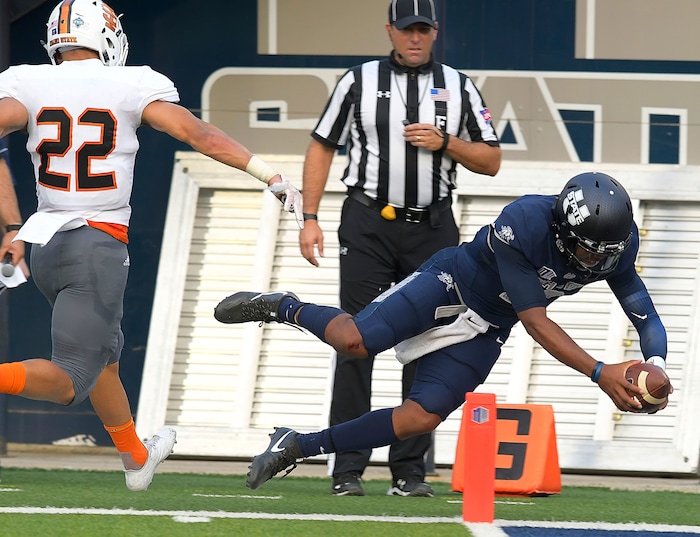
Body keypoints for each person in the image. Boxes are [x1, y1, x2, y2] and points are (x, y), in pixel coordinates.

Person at [0, 0, 302, 492]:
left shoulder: (28, 81)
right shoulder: (132, 82)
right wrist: (267, 174)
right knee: (73, 377)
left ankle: (136, 458)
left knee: (104, 357)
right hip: (94, 246)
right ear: (107, 34)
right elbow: (193, 131)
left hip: (47, 246)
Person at [214, 171, 672, 492]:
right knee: (354, 342)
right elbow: (536, 321)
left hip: (489, 324)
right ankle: (283, 306)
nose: (597, 261)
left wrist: (654, 364)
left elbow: (644, 314)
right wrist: (599, 372)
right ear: (561, 228)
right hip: (451, 284)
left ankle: (297, 444)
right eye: (587, 249)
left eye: (606, 251)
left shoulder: (615, 244)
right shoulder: (526, 223)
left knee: (421, 418)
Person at [297, 0, 500, 497]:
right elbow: (322, 144)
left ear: (435, 31)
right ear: (389, 30)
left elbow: (492, 159)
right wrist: (308, 216)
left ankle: (410, 471)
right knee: (355, 339)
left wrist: (446, 142)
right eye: (406, 29)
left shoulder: (460, 86)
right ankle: (347, 467)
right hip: (369, 222)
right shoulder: (357, 81)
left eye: (423, 29)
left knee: (430, 343)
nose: (415, 38)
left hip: (432, 228)